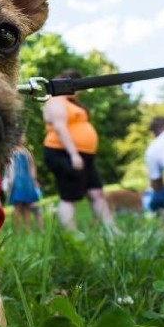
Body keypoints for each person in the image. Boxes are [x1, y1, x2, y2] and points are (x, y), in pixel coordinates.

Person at [42, 69, 118, 233]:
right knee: (69, 195)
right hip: (63, 151)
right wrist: (73, 154)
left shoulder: (71, 103)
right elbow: (60, 128)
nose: (79, 92)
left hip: (85, 155)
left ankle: (112, 230)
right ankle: (73, 234)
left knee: (96, 193)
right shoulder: (56, 101)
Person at [4, 134, 42, 231]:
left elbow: (32, 166)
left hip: (27, 181)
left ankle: (28, 228)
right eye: (22, 136)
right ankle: (17, 229)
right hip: (16, 181)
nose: (24, 138)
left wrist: (34, 179)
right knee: (17, 206)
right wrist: (8, 179)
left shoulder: (26, 152)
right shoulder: (11, 151)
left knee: (27, 204)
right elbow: (8, 167)